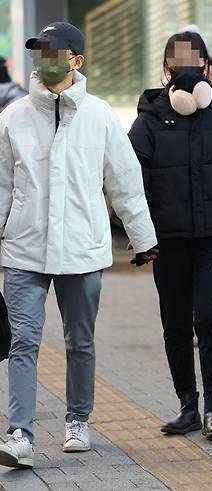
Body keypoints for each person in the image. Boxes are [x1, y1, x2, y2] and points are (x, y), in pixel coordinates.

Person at [0, 22, 158, 468]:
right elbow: (2, 187)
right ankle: (20, 434)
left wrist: (143, 238)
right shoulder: (12, 116)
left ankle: (77, 420)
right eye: (38, 51)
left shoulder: (101, 115)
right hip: (24, 248)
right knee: (23, 342)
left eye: (54, 51)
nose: (44, 59)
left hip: (82, 249)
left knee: (80, 342)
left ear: (76, 60)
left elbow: (125, 183)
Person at [128, 32, 212, 441]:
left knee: (210, 317)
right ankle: (187, 405)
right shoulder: (148, 118)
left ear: (205, 67)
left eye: (192, 60)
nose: (183, 68)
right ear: (165, 67)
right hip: (168, 239)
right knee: (176, 323)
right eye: (176, 60)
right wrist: (139, 230)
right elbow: (133, 179)